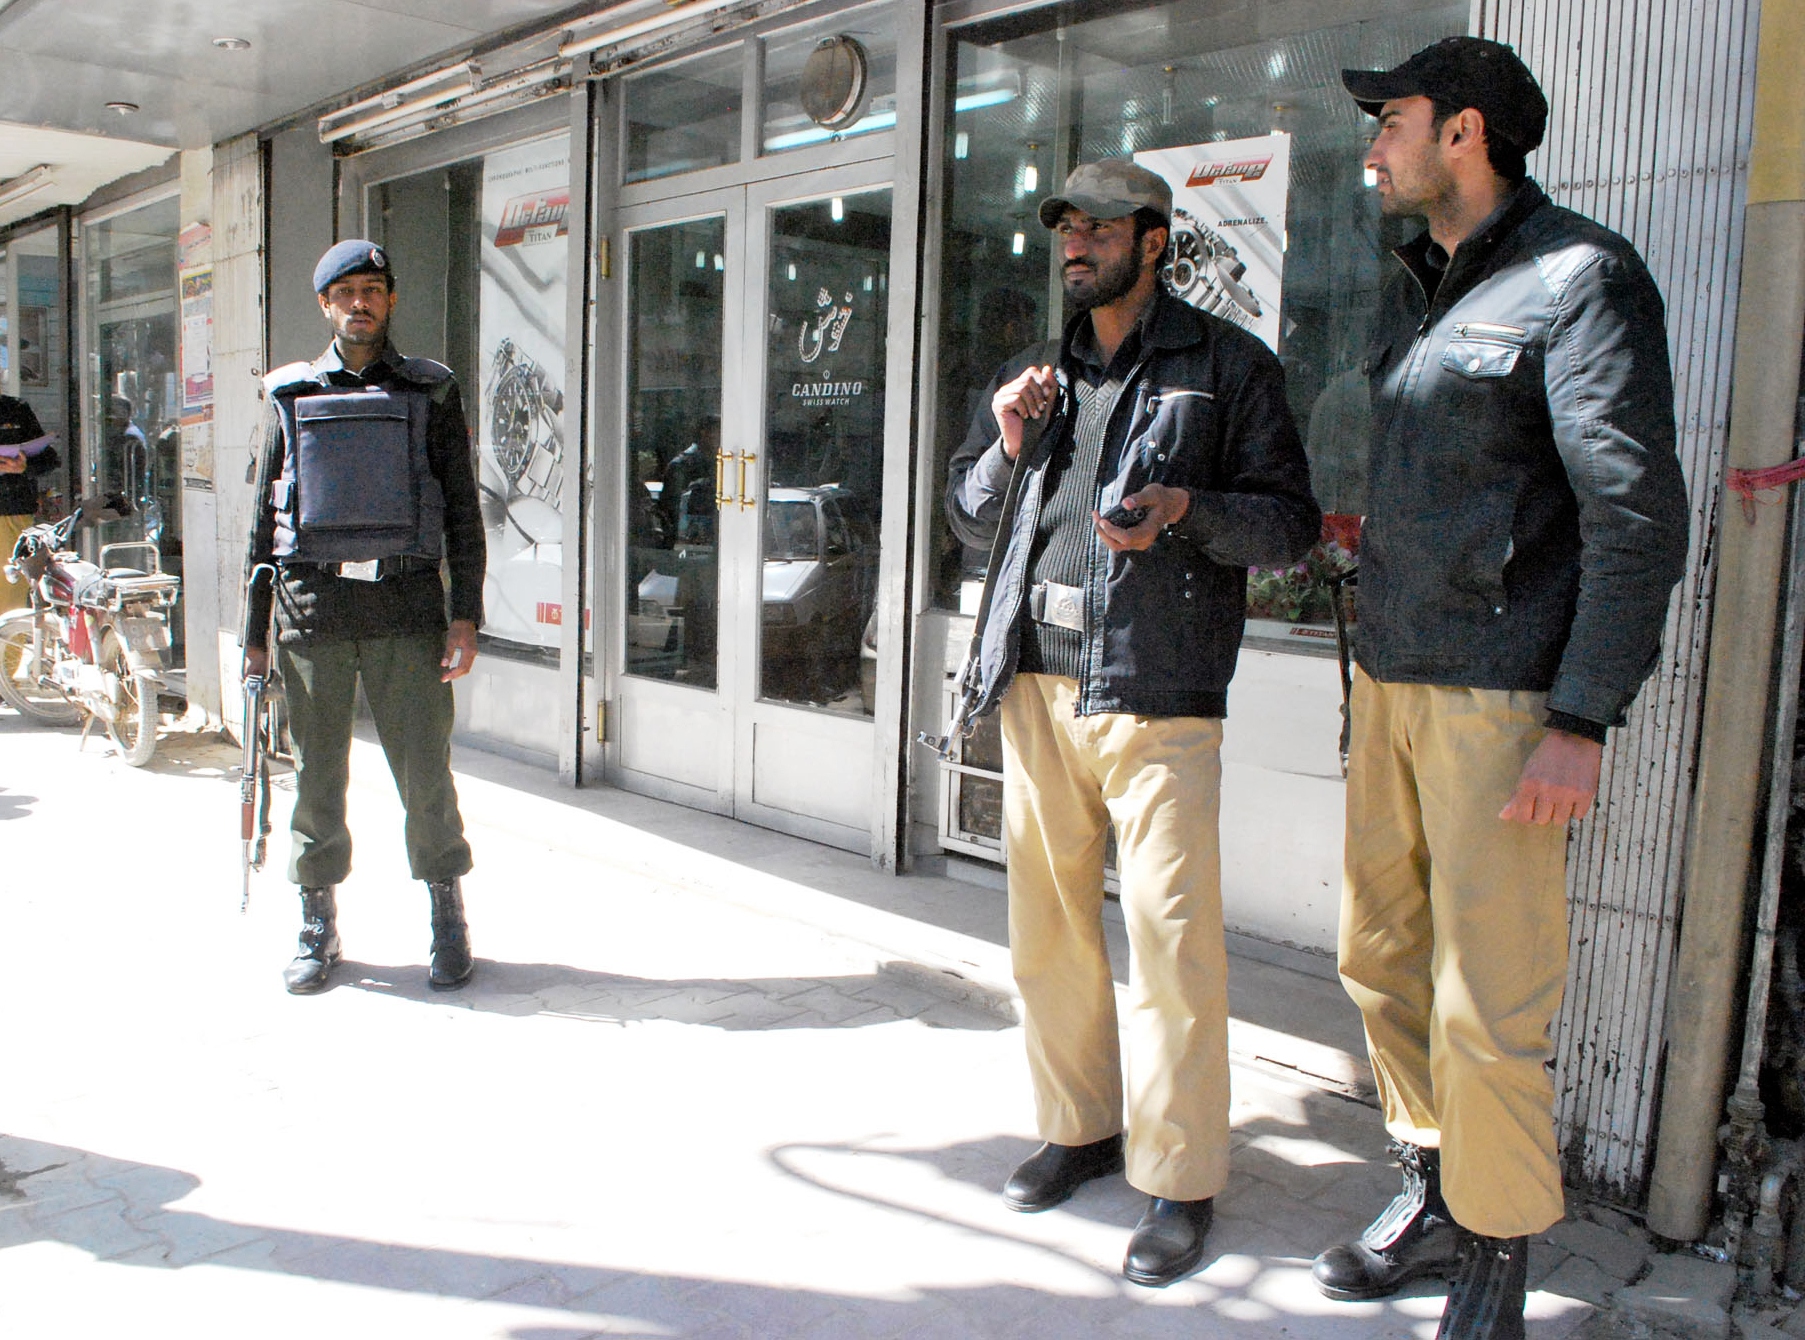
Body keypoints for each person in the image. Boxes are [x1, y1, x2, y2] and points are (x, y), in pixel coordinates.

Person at [1313, 39, 1690, 1338]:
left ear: (1464, 131)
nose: (1374, 150)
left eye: (1392, 123)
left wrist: (1581, 715)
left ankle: (1498, 1253)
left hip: (1502, 700)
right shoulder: (1420, 290)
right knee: (1378, 961)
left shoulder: (1579, 281)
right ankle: (1435, 1190)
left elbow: (1635, 519)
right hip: (1396, 682)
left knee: (1490, 1000)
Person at [945, 159, 1320, 1287]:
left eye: (1096, 226)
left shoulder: (1224, 367)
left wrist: (1186, 512)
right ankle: (1078, 1125)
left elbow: (1288, 525)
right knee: (1046, 930)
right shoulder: (1036, 376)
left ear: (1152, 241)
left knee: (1169, 946)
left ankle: (1179, 1175)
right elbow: (966, 516)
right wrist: (1006, 448)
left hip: (1155, 688)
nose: (1073, 243)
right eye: (1063, 225)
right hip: (1034, 680)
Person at [242, 239, 486, 995]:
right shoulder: (289, 395)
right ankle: (318, 924)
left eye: (373, 288)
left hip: (406, 608)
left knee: (425, 778)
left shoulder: (430, 391)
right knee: (316, 778)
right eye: (345, 291)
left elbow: (463, 511)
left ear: (390, 300)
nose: (360, 302)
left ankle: (447, 918)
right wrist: (254, 637)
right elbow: (261, 522)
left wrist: (465, 613)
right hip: (312, 611)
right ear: (324, 304)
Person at [0, 395, 57, 614]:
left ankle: (8, 648)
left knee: (11, 598)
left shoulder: (15, 408)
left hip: (12, 512)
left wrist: (25, 466)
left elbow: (49, 459)